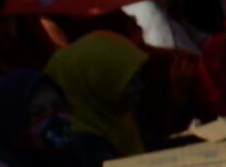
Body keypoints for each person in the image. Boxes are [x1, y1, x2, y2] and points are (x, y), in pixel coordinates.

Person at [45, 30, 148, 159]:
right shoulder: (84, 147)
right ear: (100, 83)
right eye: (130, 82)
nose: (140, 87)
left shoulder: (112, 115)